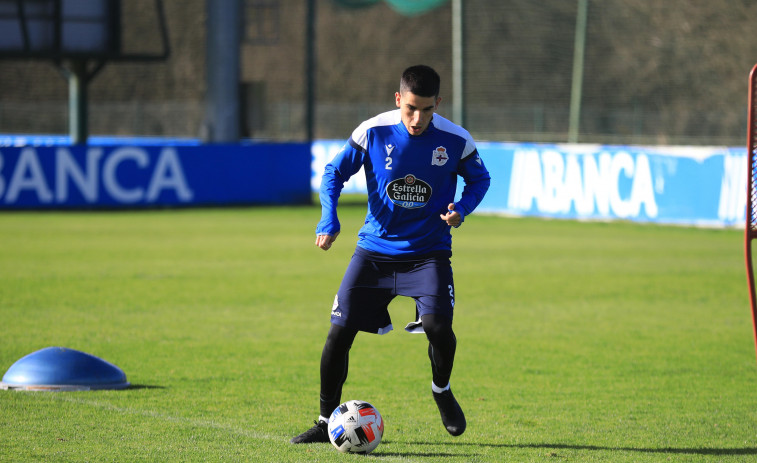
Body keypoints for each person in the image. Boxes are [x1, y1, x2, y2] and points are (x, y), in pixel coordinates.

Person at [291, 65, 491, 444]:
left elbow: (480, 179)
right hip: (374, 252)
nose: (417, 119)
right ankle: (323, 421)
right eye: (411, 108)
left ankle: (441, 389)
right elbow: (334, 173)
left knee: (439, 329)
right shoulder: (372, 131)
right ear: (398, 99)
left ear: (438, 104)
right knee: (338, 333)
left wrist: (462, 208)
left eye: (427, 110)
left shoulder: (456, 139)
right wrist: (328, 218)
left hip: (429, 254)